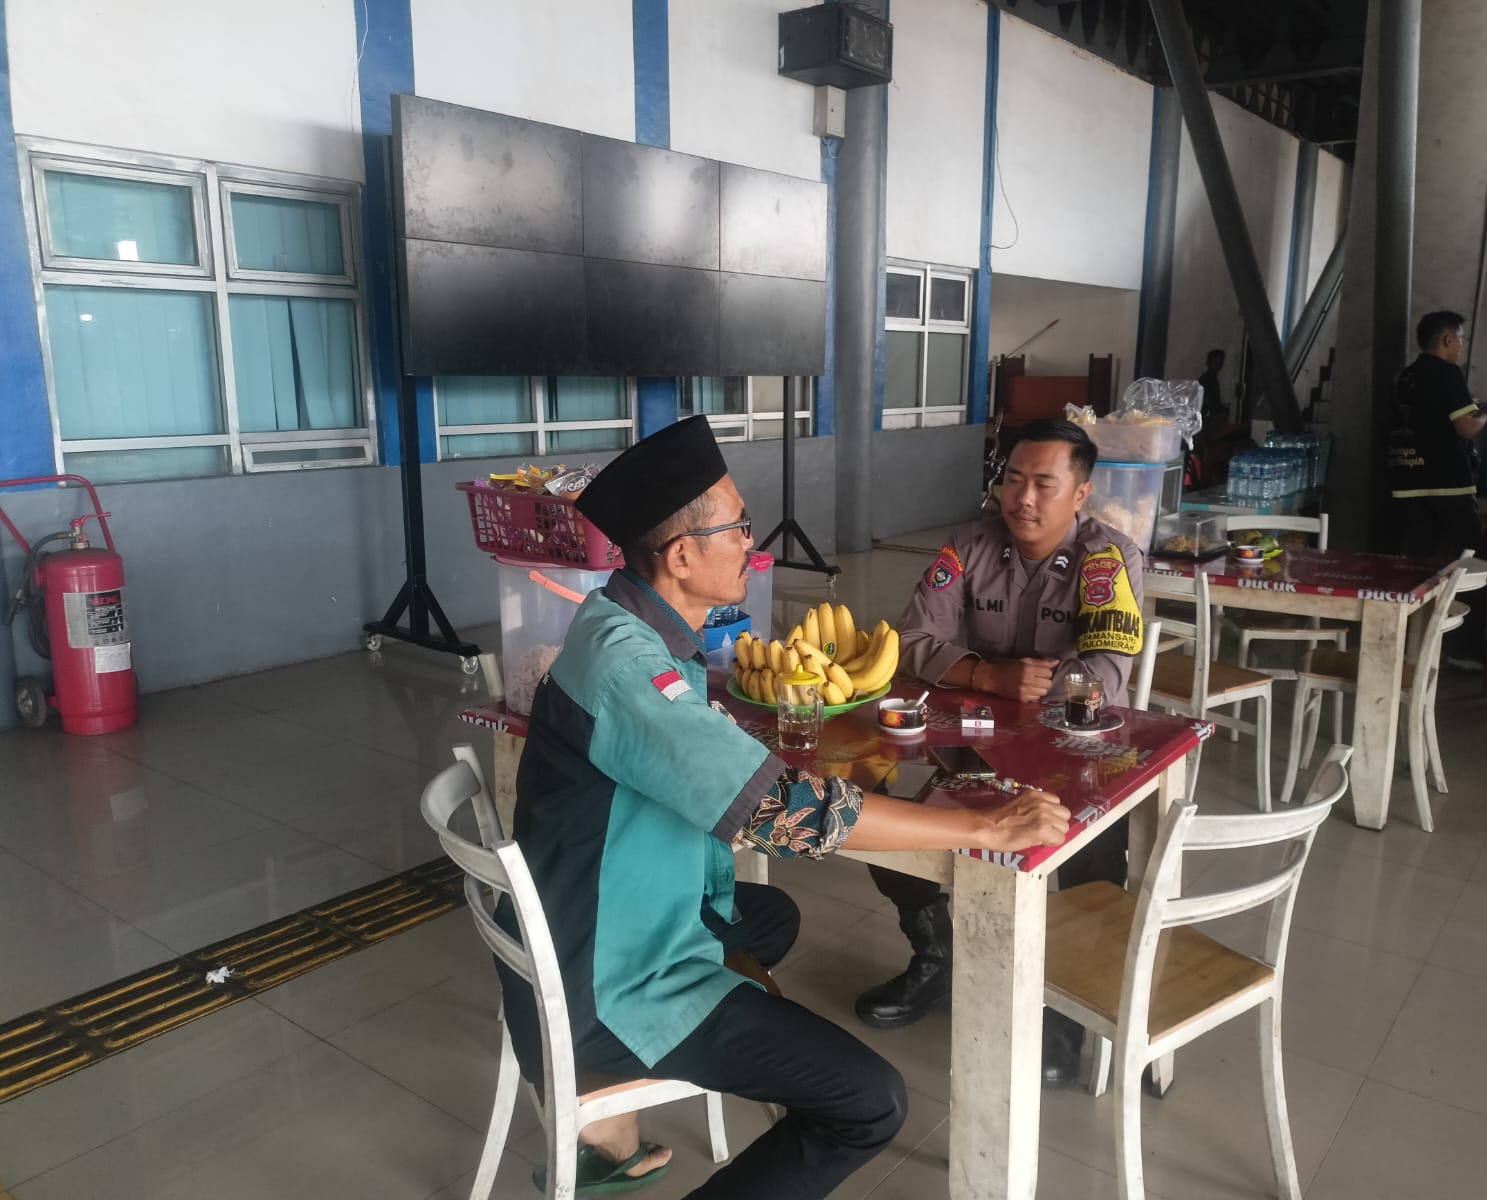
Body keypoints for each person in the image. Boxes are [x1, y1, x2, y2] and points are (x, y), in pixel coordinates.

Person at [493, 415, 1074, 1200]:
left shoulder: (615, 623)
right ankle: (621, 1098)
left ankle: (622, 1121)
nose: (751, 541)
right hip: (605, 982)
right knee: (870, 1103)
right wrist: (982, 824)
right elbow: (785, 811)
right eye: (737, 526)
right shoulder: (633, 672)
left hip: (580, 923)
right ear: (681, 556)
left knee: (771, 917)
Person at [855, 418, 1147, 1088]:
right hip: (970, 736)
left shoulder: (1109, 558)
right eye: (1014, 479)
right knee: (873, 801)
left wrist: (1034, 686)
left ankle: (1066, 1005)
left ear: (1080, 493)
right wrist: (987, 675)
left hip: (1072, 746)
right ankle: (936, 954)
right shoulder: (968, 546)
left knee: (1094, 845)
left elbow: (1106, 675)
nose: (1024, 498)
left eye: (1044, 483)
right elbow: (910, 639)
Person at [1389, 310, 1487, 665]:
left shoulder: (1407, 376)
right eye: (1460, 338)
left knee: (1419, 566)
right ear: (1446, 340)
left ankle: (1414, 646)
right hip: (1447, 483)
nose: (1462, 345)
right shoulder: (1447, 372)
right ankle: (1464, 649)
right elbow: (1466, 427)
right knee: (1470, 565)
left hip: (1408, 480)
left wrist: (1481, 405)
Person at [1198, 347, 1228, 423]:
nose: (1219, 364)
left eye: (1220, 361)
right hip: (1208, 417)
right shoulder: (1207, 378)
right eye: (1216, 361)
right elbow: (1206, 400)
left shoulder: (1211, 377)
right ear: (1209, 362)